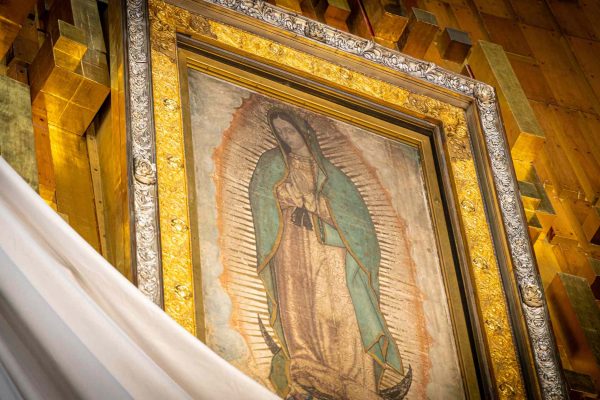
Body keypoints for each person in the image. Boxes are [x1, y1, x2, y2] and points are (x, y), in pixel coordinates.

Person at [249, 108, 404, 399]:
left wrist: (317, 207)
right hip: (291, 246)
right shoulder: (272, 163)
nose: (286, 137)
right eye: (280, 133)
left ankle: (353, 376)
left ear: (304, 131)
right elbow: (264, 198)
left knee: (338, 308)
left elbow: (357, 227)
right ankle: (308, 366)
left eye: (290, 131)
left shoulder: (334, 178)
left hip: (331, 250)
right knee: (299, 304)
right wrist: (290, 202)